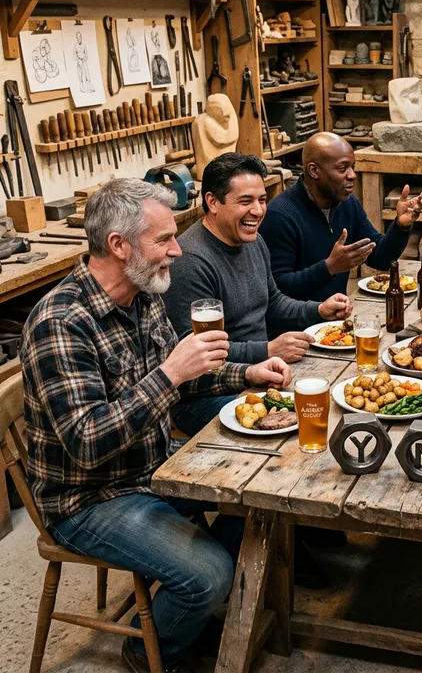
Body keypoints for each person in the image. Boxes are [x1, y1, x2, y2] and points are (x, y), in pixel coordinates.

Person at [21, 179, 291, 673]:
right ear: (118, 246)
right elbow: (86, 443)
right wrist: (170, 372)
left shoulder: (143, 294)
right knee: (210, 573)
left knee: (262, 498)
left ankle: (191, 607)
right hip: (88, 496)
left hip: (151, 464)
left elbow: (184, 383)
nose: (176, 249)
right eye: (164, 239)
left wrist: (248, 374)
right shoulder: (60, 322)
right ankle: (151, 650)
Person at [164, 153, 352, 436]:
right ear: (213, 202)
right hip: (203, 396)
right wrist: (266, 350)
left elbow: (273, 302)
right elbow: (196, 355)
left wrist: (318, 310)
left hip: (259, 373)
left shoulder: (252, 239)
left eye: (262, 200)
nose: (258, 210)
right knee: (304, 424)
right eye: (245, 201)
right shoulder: (191, 261)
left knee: (332, 403)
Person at [261, 132, 422, 301]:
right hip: (298, 324)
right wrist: (328, 268)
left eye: (352, 166)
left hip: (336, 318)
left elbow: (381, 258)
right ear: (314, 170)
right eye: (342, 168)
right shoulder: (280, 215)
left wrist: (401, 226)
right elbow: (277, 290)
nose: (352, 175)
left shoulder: (347, 204)